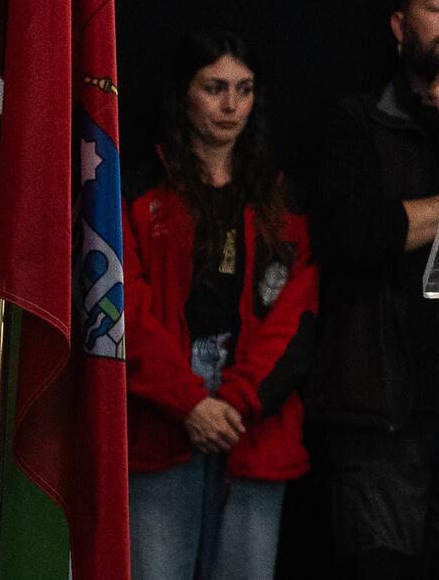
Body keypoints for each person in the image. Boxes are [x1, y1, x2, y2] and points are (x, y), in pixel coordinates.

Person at [302, 0, 439, 578]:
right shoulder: (356, 121)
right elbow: (364, 235)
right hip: (378, 414)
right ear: (399, 25)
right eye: (436, 5)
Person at [125, 30, 318, 580]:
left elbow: (296, 315)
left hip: (253, 414)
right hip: (162, 407)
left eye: (244, 89)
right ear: (184, 95)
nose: (231, 105)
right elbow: (124, 312)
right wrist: (189, 401)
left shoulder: (280, 198)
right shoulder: (139, 191)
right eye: (214, 88)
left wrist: (237, 402)